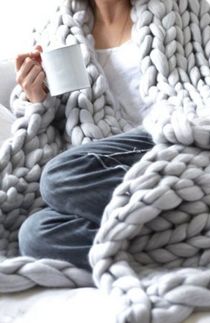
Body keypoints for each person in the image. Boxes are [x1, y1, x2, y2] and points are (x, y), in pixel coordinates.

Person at [16, 0, 154, 272]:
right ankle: (191, 234)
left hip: (166, 143)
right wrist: (37, 99)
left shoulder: (182, 11)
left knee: (59, 176)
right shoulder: (51, 34)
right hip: (100, 175)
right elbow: (50, 139)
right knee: (34, 234)